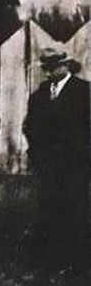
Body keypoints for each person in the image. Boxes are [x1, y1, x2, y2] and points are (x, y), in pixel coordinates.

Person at [24, 48, 90, 271]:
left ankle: (77, 262)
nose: (49, 72)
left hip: (76, 164)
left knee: (76, 210)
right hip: (47, 165)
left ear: (66, 66)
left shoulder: (84, 92)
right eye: (46, 68)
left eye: (53, 67)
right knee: (50, 209)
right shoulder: (40, 94)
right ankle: (51, 260)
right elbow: (29, 127)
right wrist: (37, 154)